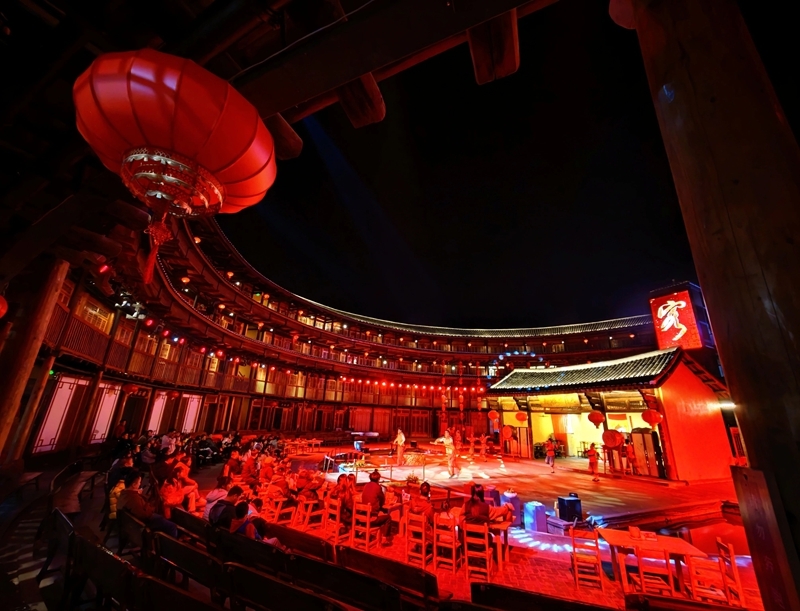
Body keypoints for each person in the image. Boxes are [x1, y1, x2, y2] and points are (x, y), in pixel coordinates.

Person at [117, 471, 178, 538]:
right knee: (172, 526)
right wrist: (151, 509)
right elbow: (145, 515)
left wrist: (137, 493)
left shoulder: (124, 494)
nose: (140, 484)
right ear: (134, 485)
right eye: (139, 482)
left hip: (134, 525)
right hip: (146, 524)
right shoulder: (134, 499)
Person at [361, 470, 393, 546]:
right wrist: (381, 506)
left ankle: (372, 533)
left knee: (381, 512)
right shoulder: (378, 487)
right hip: (371, 518)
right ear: (378, 479)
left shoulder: (366, 486)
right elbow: (382, 499)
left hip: (363, 517)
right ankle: (385, 538)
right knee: (388, 518)